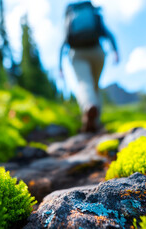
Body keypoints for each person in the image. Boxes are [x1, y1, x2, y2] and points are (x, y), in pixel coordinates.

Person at [59, 0, 119, 133]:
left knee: (84, 82)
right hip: (97, 51)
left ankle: (88, 108)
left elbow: (64, 41)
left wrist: (60, 67)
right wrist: (115, 51)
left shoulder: (70, 17)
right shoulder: (93, 13)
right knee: (95, 85)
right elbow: (108, 33)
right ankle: (96, 120)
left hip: (77, 53)